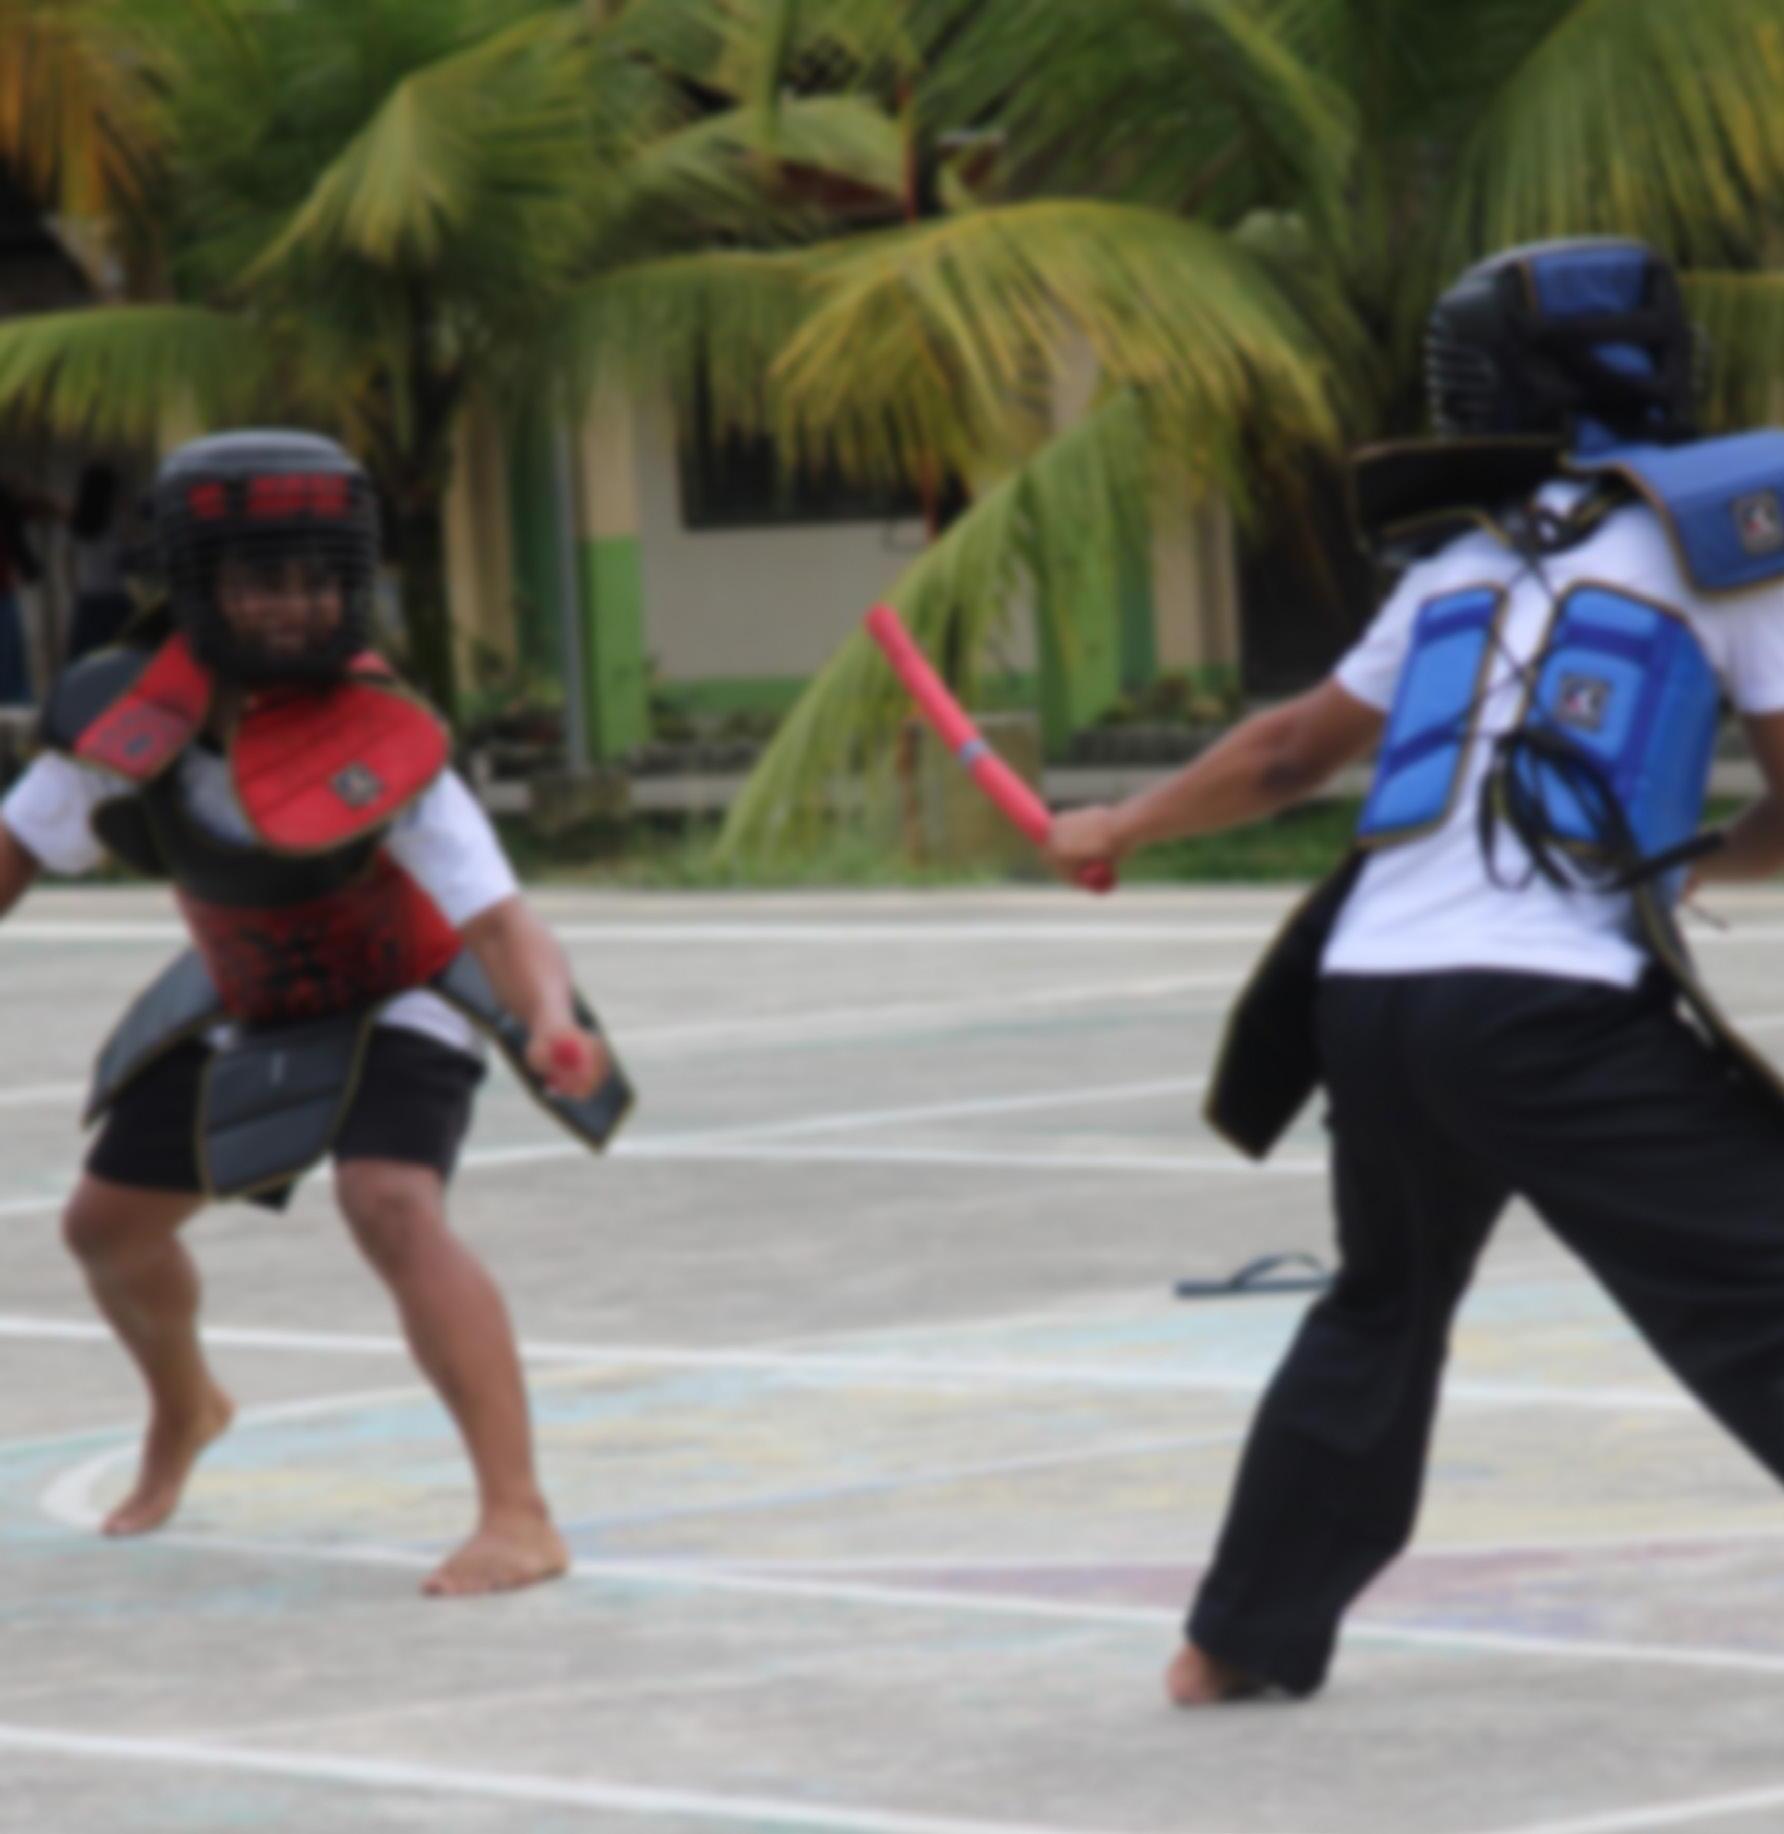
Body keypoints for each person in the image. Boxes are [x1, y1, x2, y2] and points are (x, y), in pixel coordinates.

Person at [1045, 237, 1784, 1703]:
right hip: (1539, 1009)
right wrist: (1695, 861)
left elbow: (1282, 754)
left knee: (1381, 1308)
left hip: (1371, 999)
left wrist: (1118, 822)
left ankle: (1233, 1643)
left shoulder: (1464, 559)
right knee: (1762, 1274)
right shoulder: (1728, 545)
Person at [0, 428, 633, 1597]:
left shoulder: (384, 737)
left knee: (388, 1199)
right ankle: (187, 1406)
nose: (294, 604)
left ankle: (519, 1515)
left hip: (402, 989)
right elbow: (13, 854)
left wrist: (550, 1017)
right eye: (262, 579)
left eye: (316, 577)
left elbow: (501, 922)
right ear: (198, 585)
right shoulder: (122, 720)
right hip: (248, 989)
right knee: (104, 1233)